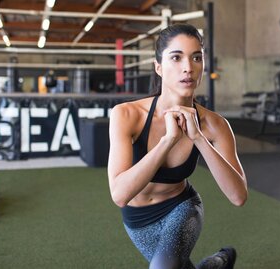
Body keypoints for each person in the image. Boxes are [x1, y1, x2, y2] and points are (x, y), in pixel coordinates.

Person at [107, 23, 247, 269]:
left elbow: (238, 197)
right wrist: (168, 140)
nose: (188, 67)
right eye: (176, 57)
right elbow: (120, 195)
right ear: (158, 67)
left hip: (181, 209)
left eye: (196, 57)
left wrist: (199, 139)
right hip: (138, 221)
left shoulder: (215, 125)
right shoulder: (127, 114)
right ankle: (218, 262)